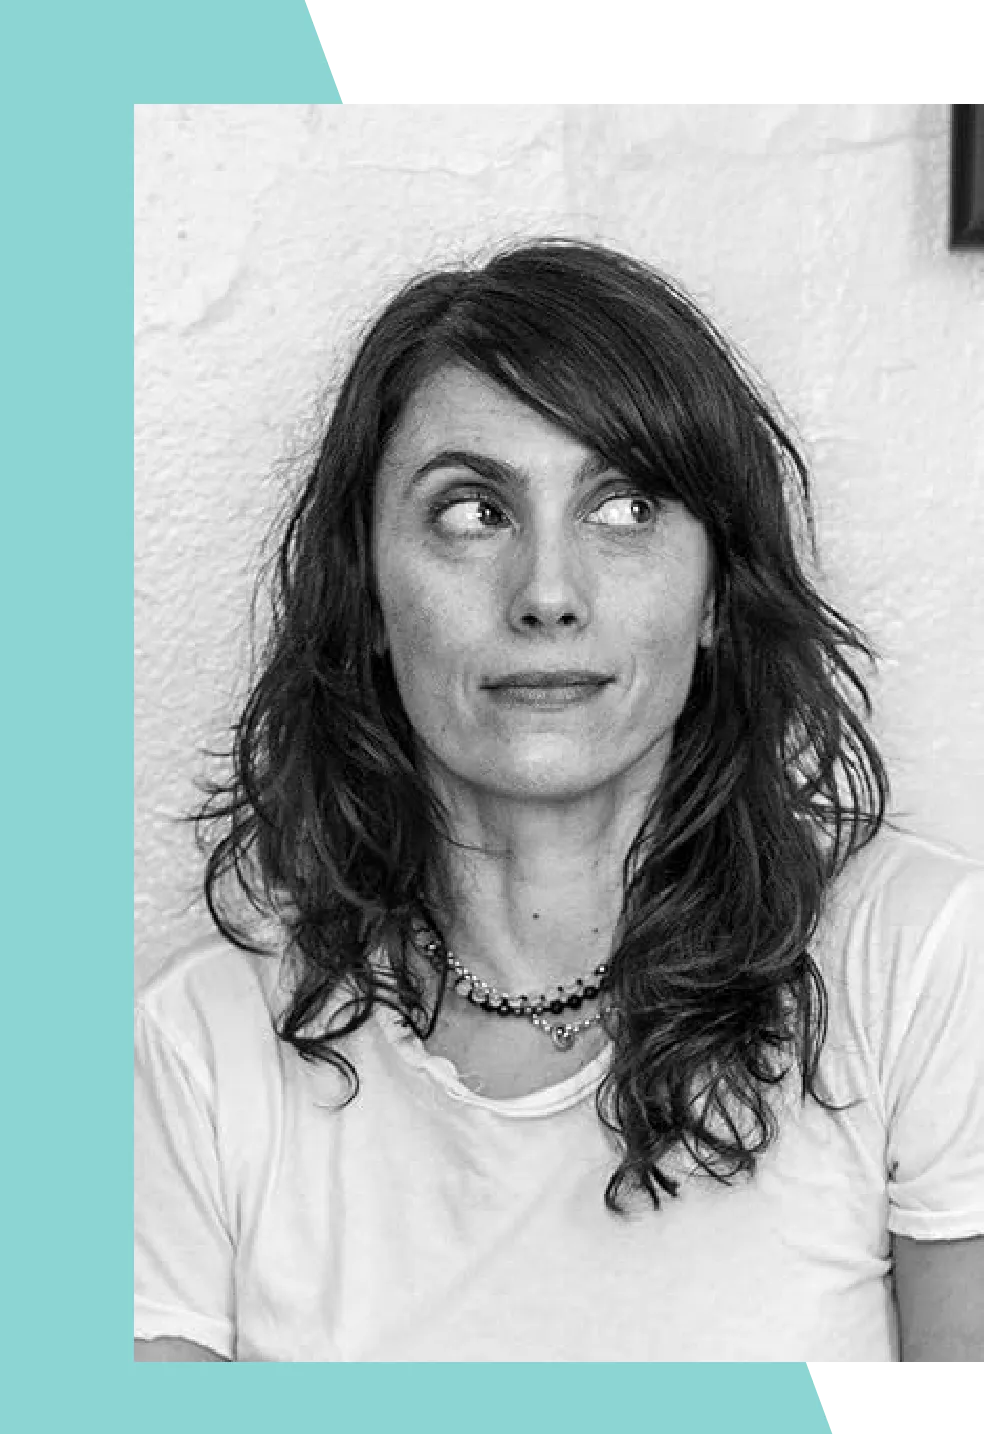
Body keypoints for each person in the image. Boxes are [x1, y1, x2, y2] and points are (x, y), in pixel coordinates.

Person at [134, 238, 984, 1365]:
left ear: (717, 591)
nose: (546, 593)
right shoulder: (200, 1046)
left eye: (626, 506)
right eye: (470, 511)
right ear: (369, 593)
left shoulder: (917, 959)